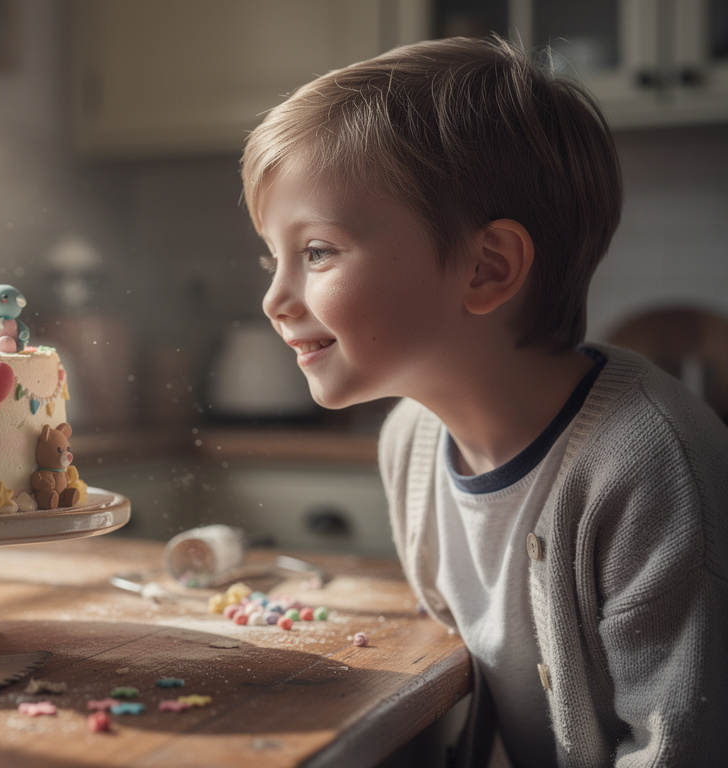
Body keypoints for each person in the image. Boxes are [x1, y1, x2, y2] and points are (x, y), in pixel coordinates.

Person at [240, 35, 728, 767]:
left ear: (487, 268)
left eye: (317, 252)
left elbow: (675, 749)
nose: (275, 299)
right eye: (271, 256)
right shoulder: (410, 437)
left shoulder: (651, 464)